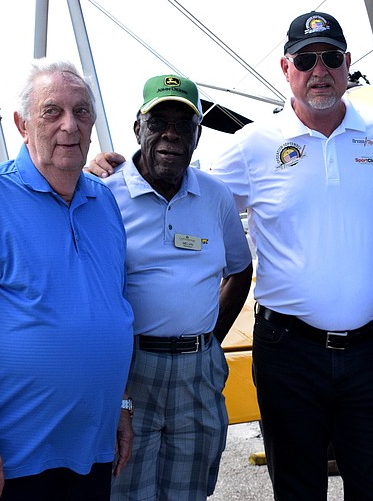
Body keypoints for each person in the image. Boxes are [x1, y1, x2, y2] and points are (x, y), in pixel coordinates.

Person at [90, 11, 373, 500]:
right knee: (297, 492)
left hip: (371, 353)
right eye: (306, 59)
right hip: (289, 354)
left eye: (331, 57)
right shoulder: (255, 143)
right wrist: (108, 171)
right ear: (286, 67)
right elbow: (184, 186)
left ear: (348, 64)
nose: (320, 70)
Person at [0, 60, 135, 501]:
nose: (69, 126)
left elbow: (112, 314)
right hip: (2, 464)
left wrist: (121, 406)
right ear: (22, 125)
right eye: (52, 112)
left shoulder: (105, 205)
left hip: (86, 457)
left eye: (82, 111)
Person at [104, 74, 253, 501]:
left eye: (183, 124)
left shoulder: (215, 195)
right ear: (138, 128)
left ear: (198, 134)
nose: (171, 135)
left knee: (189, 490)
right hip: (130, 370)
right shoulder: (103, 195)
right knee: (124, 487)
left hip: (198, 371)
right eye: (158, 122)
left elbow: (239, 271)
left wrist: (209, 342)